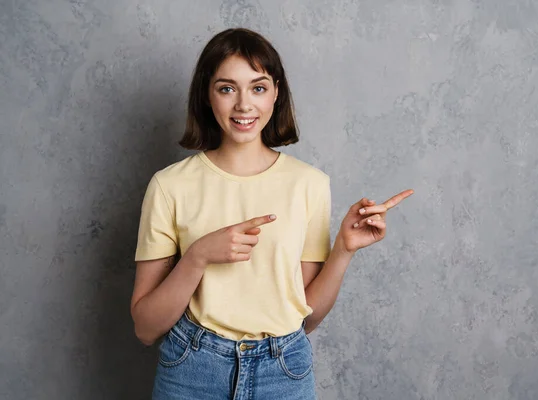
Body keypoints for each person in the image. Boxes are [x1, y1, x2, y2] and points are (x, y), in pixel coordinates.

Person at [130, 27, 413, 400]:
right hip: (193, 369)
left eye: (258, 87)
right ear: (207, 95)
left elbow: (307, 317)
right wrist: (197, 257)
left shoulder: (309, 184)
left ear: (276, 93)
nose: (244, 105)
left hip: (283, 370)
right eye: (227, 88)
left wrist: (344, 250)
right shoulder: (169, 186)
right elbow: (146, 328)